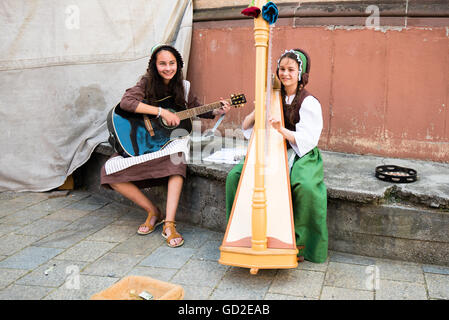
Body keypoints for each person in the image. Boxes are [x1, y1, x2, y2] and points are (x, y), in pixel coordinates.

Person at [101, 44, 231, 247]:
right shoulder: (145, 83)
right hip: (145, 139)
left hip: (171, 141)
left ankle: (169, 224)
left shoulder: (183, 87)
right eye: (162, 64)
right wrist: (161, 112)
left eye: (172, 63)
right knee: (109, 170)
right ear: (154, 65)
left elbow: (195, 109)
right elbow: (127, 102)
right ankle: (153, 211)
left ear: (178, 65)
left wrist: (216, 111)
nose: (168, 68)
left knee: (177, 159)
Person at [225, 48, 328, 263]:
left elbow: (308, 139)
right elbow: (246, 128)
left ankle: (300, 244)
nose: (285, 74)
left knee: (306, 185)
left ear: (301, 73)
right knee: (236, 176)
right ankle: (242, 234)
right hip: (271, 147)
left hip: (300, 151)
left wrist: (282, 130)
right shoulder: (273, 96)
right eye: (282, 69)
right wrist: (257, 109)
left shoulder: (309, 102)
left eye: (291, 69)